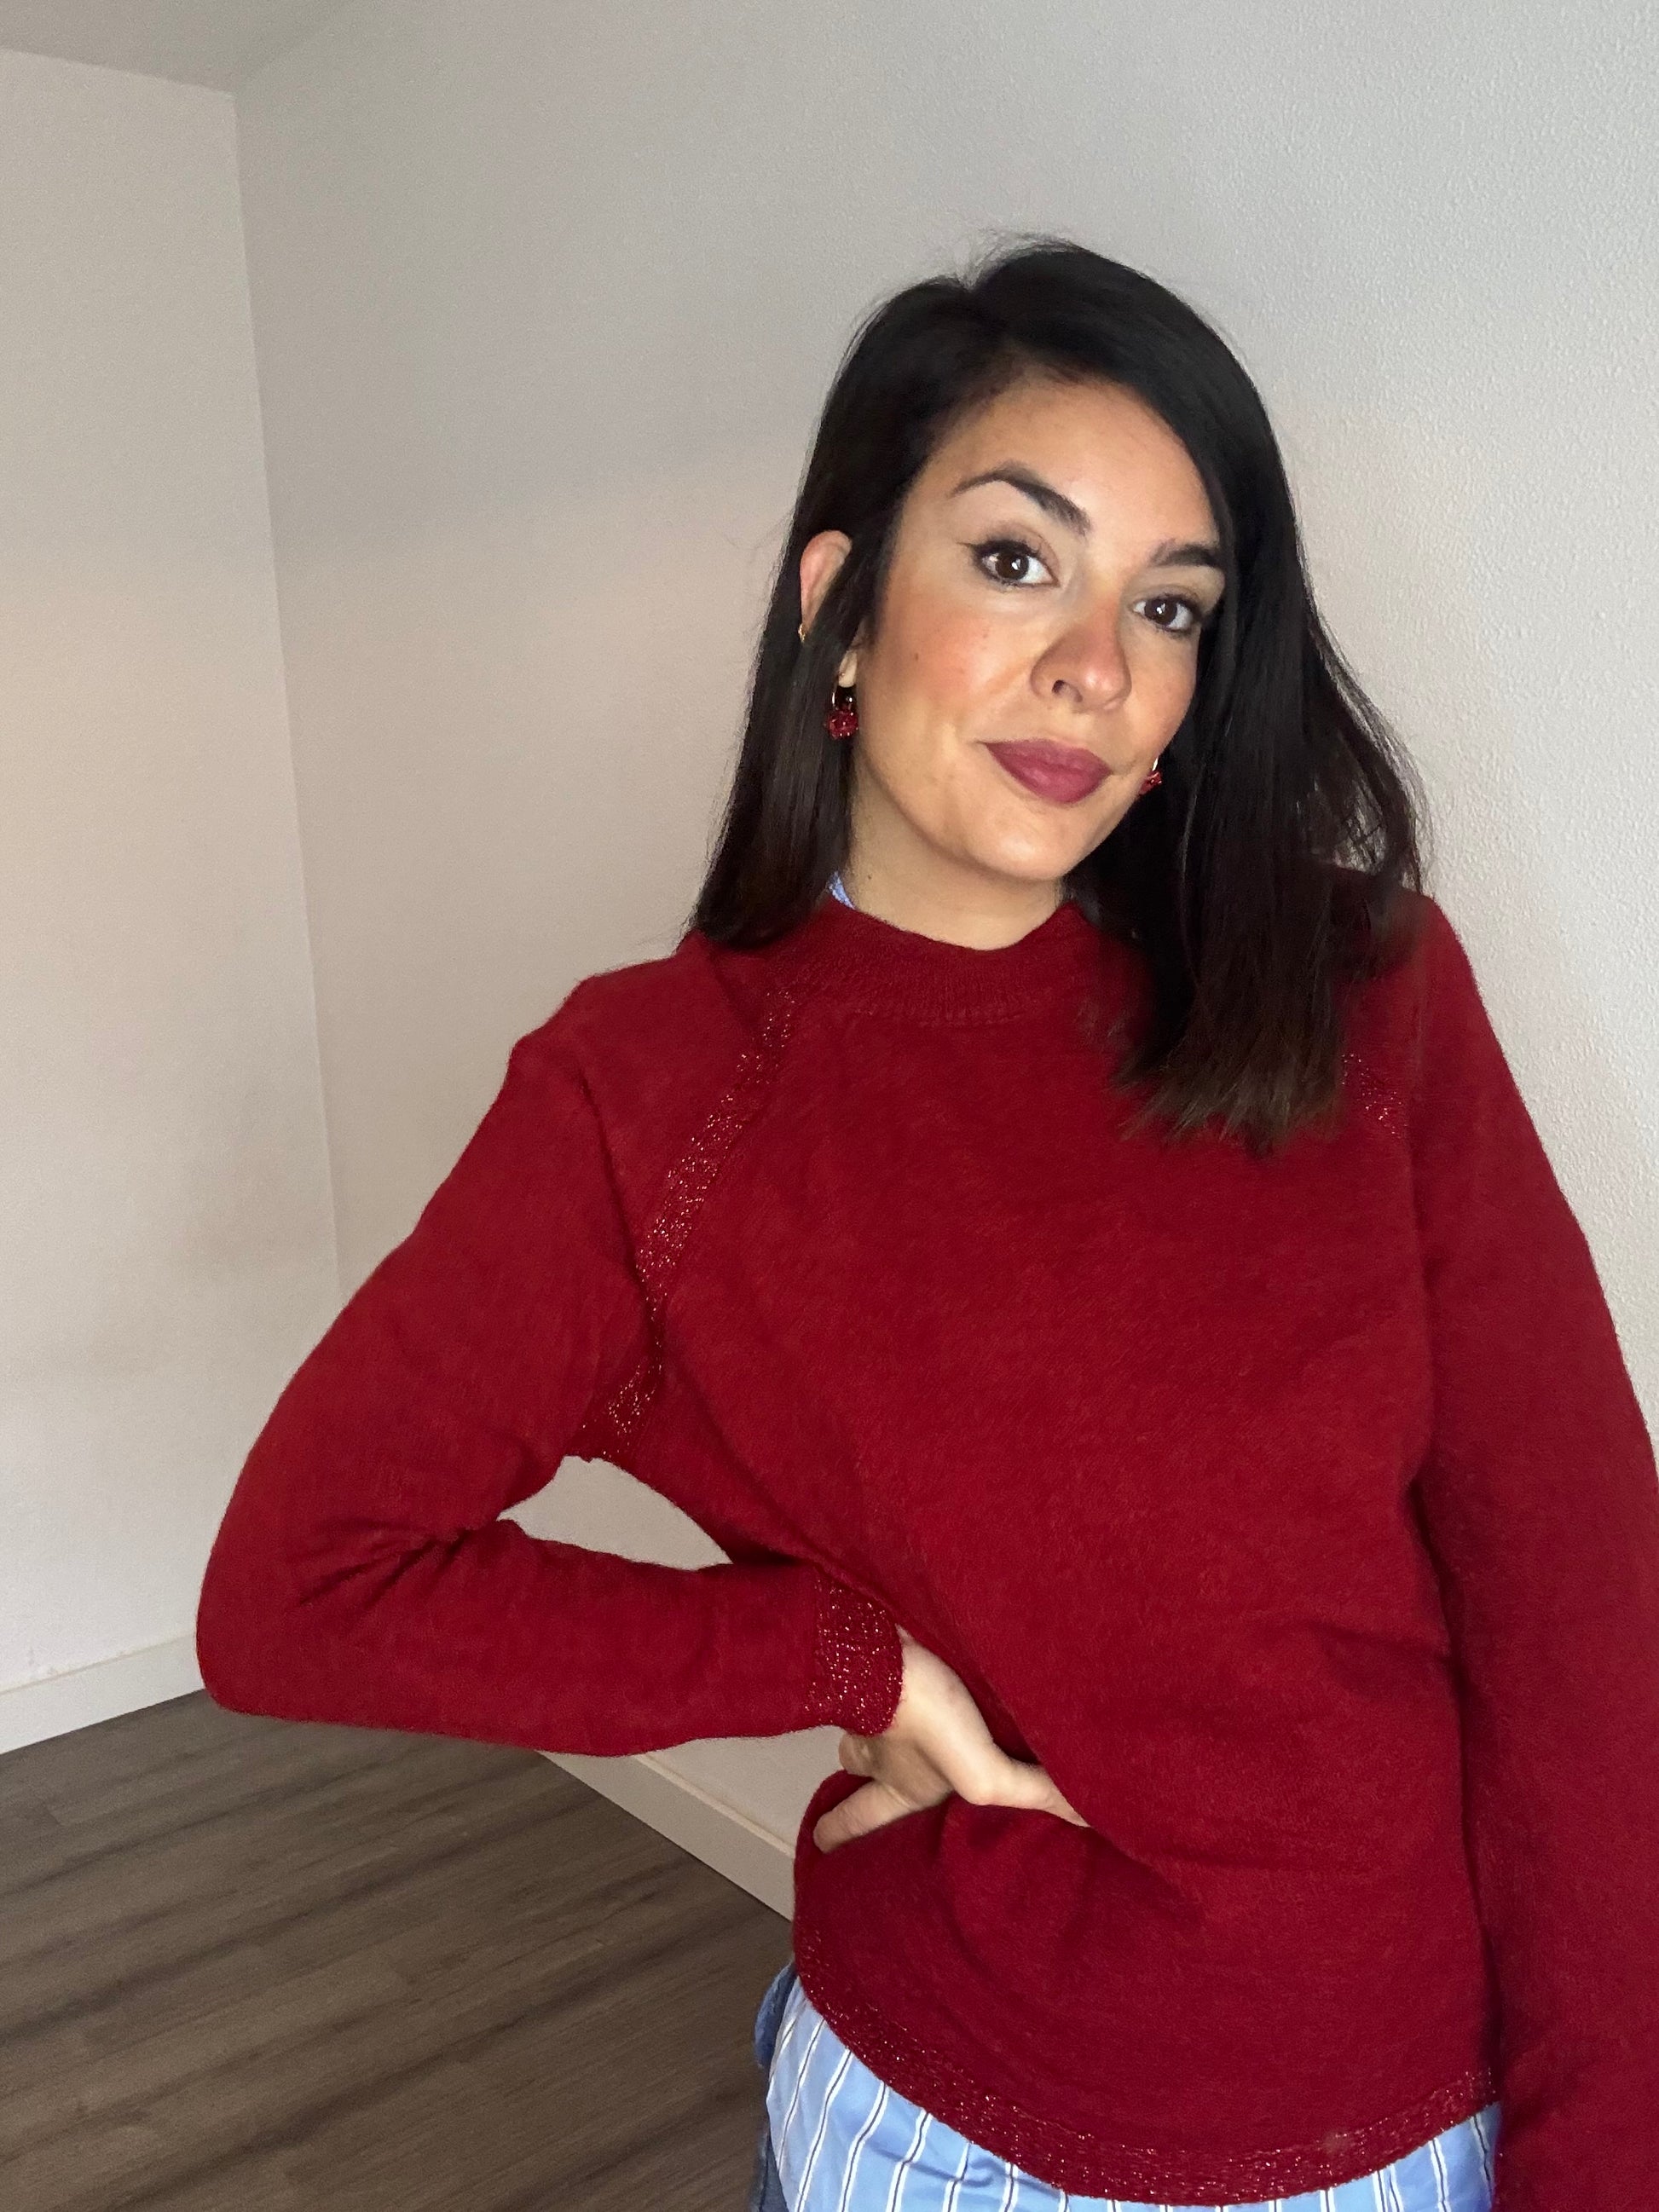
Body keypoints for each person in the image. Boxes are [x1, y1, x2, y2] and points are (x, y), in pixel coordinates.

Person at [195, 238, 1659, 2212]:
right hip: (939, 2133)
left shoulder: (1360, 994)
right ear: (843, 602)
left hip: (1405, 2132)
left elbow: (1583, 1626)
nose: (1097, 665)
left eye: (1169, 604)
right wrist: (843, 1657)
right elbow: (300, 1587)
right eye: (1015, 557)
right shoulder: (657, 1096)